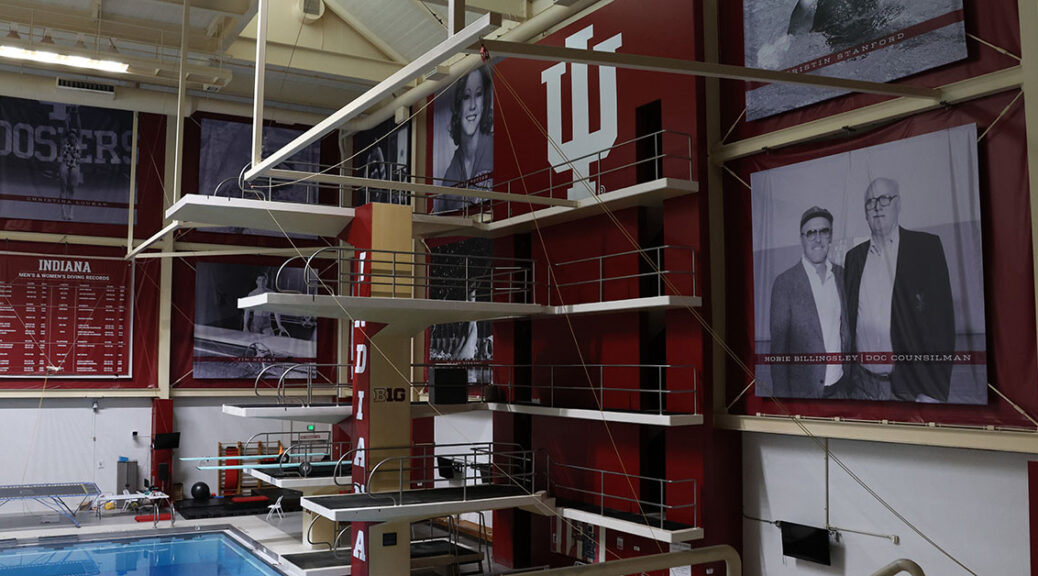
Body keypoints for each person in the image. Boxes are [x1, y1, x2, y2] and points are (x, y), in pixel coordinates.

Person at [844, 177, 955, 402]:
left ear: (898, 204)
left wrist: (934, 390)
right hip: (861, 385)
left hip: (910, 388)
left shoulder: (925, 248)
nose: (877, 207)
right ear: (865, 213)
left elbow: (942, 323)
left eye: (884, 199)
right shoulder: (853, 258)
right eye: (870, 202)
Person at [769, 206, 850, 399]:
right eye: (811, 232)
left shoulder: (842, 276)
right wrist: (784, 402)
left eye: (823, 231)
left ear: (830, 236)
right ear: (802, 238)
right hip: (804, 394)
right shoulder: (785, 284)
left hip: (841, 389)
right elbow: (779, 353)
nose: (817, 238)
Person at [433, 66, 493, 213]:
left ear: (485, 101)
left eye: (478, 95)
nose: (472, 106)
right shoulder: (450, 175)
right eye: (466, 97)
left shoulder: (497, 150)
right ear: (457, 107)